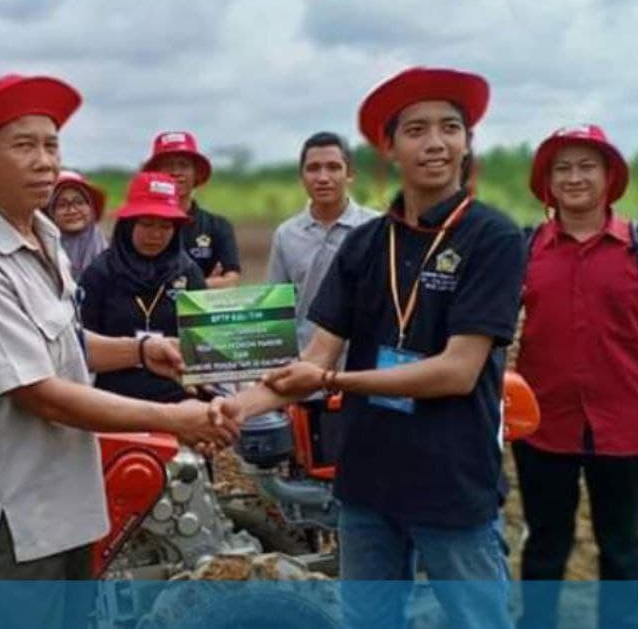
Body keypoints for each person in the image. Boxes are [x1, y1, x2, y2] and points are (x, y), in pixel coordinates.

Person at [0, 74, 239, 626]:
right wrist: (174, 419)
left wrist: (143, 351)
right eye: (24, 146)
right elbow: (41, 393)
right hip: (15, 527)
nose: (45, 161)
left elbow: (68, 344)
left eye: (51, 145)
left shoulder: (45, 240)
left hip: (70, 507)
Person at [221, 67, 524, 629]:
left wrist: (337, 383)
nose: (435, 143)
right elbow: (317, 356)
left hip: (452, 482)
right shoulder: (365, 243)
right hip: (366, 481)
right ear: (390, 148)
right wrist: (235, 408)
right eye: (416, 130)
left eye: (449, 127)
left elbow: (457, 372)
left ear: (466, 141)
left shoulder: (493, 238)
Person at [513, 124, 638, 629]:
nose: (574, 177)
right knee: (544, 544)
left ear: (609, 177)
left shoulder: (634, 247)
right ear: (548, 182)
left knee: (624, 550)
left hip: (627, 424)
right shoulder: (525, 249)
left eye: (587, 165)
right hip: (544, 424)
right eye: (562, 167)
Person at [266, 132, 378, 467]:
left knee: (366, 463)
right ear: (302, 176)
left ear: (350, 173)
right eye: (313, 168)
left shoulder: (375, 229)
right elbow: (277, 310)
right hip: (306, 373)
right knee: (310, 465)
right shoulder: (287, 235)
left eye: (333, 167)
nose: (323, 177)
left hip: (363, 373)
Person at [78, 171, 206, 403]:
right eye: (146, 224)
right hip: (114, 402)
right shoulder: (99, 274)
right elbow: (79, 347)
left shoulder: (189, 274)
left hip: (180, 399)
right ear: (127, 225)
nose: (155, 235)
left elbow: (204, 345)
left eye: (165, 226)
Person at [141, 131, 240, 287]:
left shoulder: (218, 226)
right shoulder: (138, 226)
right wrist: (204, 285)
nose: (176, 172)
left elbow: (231, 280)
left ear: (197, 174)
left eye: (183, 165)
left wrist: (185, 288)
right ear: (154, 174)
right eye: (168, 166)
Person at [44, 169, 108, 280]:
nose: (72, 210)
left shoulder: (110, 256)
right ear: (50, 212)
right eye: (62, 205)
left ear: (90, 208)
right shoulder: (43, 252)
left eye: (79, 202)